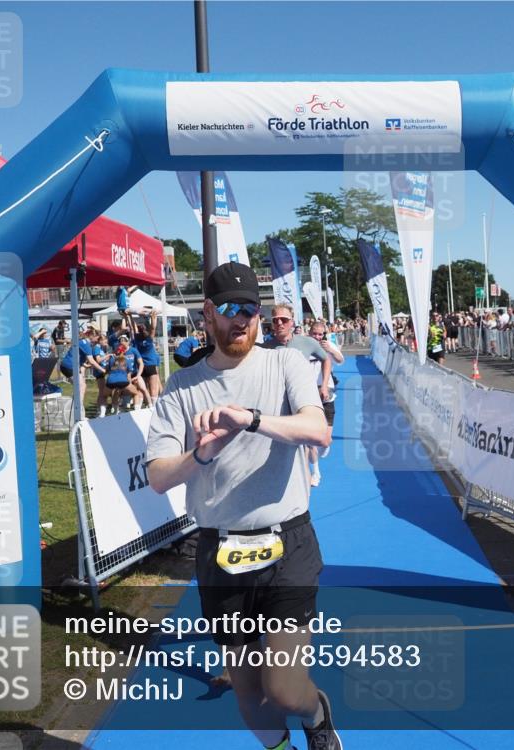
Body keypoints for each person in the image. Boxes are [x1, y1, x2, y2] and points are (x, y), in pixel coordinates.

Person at [146, 263, 339, 750]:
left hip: (286, 542)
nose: (242, 320)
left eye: (250, 310)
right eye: (229, 310)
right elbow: (156, 477)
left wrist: (250, 420)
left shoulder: (285, 365)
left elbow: (318, 431)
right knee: (250, 694)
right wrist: (202, 454)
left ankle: (317, 717)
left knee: (285, 688)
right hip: (220, 551)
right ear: (207, 314)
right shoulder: (181, 388)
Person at [264, 305, 332, 488]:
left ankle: (314, 472)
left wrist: (324, 385)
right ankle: (297, 477)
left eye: (284, 320)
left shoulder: (307, 343)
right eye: (275, 320)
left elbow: (326, 359)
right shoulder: (265, 347)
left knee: (309, 441)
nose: (279, 323)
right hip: (277, 404)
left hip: (303, 400)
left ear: (292, 323)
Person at [59, 328, 106, 410]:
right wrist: (103, 370)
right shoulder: (86, 344)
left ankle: (74, 407)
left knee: (79, 387)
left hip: (68, 366)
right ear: (92, 336)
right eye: (97, 338)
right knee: (82, 386)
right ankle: (78, 409)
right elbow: (91, 361)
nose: (98, 341)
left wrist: (84, 365)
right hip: (70, 366)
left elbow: (76, 355)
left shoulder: (83, 342)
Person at [105, 336, 150, 411]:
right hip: (124, 376)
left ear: (128, 342)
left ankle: (150, 405)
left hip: (134, 374)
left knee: (142, 388)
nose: (122, 342)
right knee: (118, 391)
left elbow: (141, 363)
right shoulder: (117, 353)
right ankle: (117, 408)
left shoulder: (133, 350)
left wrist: (138, 375)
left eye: (123, 340)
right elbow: (111, 367)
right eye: (120, 341)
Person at [130, 309, 162, 406]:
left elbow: (132, 327)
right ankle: (153, 408)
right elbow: (153, 328)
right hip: (151, 365)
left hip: (141, 367)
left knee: (141, 389)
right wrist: (153, 317)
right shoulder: (148, 340)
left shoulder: (136, 339)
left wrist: (130, 316)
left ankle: (138, 408)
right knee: (154, 389)